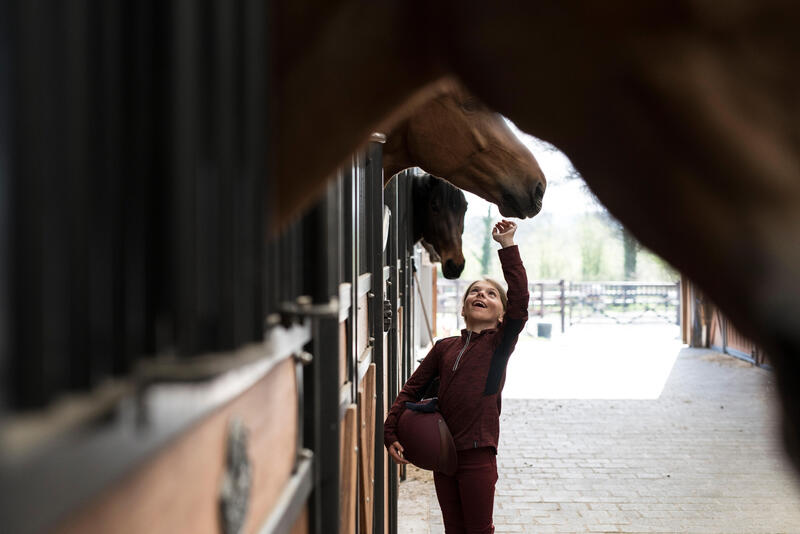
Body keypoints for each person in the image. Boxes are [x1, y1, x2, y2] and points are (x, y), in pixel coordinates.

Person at [384, 219, 529, 534]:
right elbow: (411, 390)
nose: (481, 294)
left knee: (477, 529)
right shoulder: (444, 347)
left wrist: (507, 246)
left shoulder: (499, 345)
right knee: (453, 528)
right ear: (464, 307)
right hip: (443, 454)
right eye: (475, 291)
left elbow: (520, 301)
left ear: (502, 315)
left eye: (491, 294)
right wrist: (390, 431)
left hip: (478, 455)